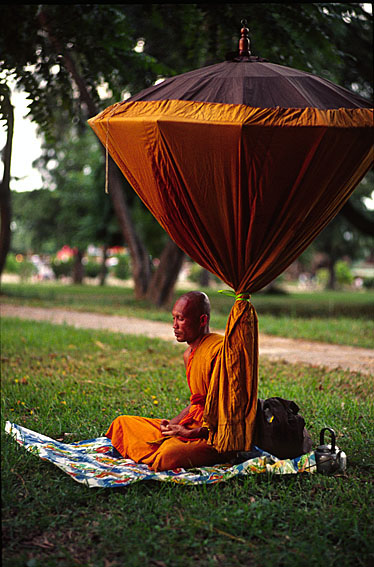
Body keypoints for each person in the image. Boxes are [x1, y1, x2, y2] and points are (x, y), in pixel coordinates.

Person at [105, 291, 235, 471]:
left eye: (180, 319)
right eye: (173, 318)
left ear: (202, 320)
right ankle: (164, 444)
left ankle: (162, 449)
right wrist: (173, 424)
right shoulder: (188, 355)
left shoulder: (220, 351)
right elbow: (197, 402)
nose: (174, 326)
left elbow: (227, 411)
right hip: (190, 426)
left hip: (215, 436)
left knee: (168, 454)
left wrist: (191, 433)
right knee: (123, 423)